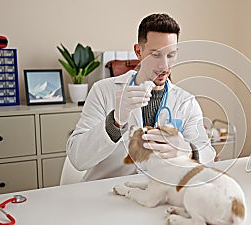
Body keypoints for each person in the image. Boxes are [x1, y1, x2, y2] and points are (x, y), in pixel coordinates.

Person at [67, 13, 216, 181]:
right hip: (106, 195)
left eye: (171, 55)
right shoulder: (103, 91)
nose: (164, 65)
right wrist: (115, 121)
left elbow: (208, 154)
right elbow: (77, 159)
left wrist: (188, 151)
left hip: (156, 194)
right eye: (156, 54)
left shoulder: (185, 102)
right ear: (139, 51)